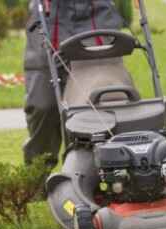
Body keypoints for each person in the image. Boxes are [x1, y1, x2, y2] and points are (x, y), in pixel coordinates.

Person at [23, 0, 125, 167]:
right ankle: (36, 181)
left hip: (94, 21)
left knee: (96, 108)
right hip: (48, 22)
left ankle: (94, 175)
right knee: (42, 106)